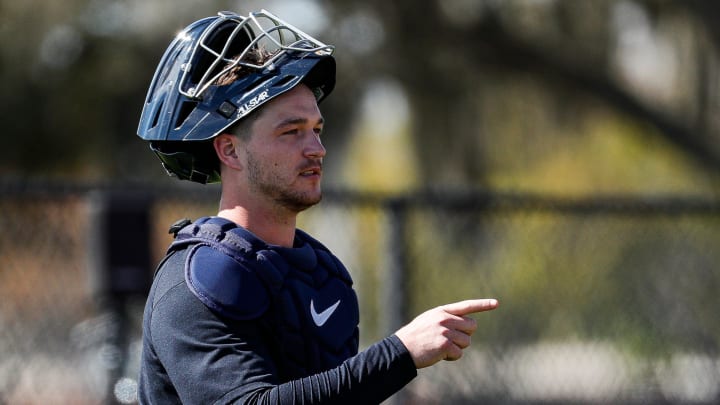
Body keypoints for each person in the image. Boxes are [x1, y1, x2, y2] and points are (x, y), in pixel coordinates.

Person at [136, 10, 499, 404]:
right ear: (230, 150)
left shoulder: (321, 273)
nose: (316, 149)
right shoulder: (196, 283)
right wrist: (401, 353)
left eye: (317, 130)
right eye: (291, 132)